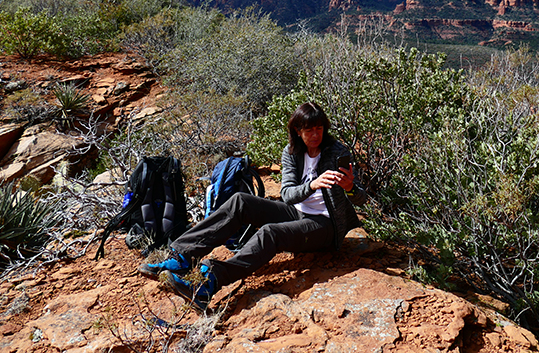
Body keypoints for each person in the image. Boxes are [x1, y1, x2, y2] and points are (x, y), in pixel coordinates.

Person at [137, 101, 368, 311]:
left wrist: (349, 188)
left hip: (325, 225)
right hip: (297, 211)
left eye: (319, 129)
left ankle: (208, 286)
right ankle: (183, 257)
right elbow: (287, 194)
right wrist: (312, 185)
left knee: (270, 233)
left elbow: (361, 198)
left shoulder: (337, 152)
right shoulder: (291, 153)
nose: (316, 134)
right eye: (309, 130)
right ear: (298, 131)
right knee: (240, 201)